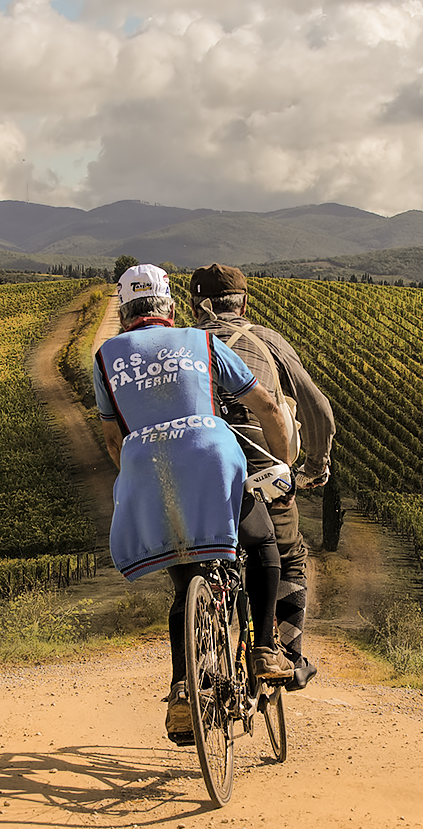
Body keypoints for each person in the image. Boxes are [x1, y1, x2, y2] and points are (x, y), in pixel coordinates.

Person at [91, 264, 298, 745]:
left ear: (125, 314)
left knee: (186, 583)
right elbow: (267, 406)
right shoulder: (200, 343)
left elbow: (111, 438)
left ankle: (184, 688)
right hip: (211, 460)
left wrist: (138, 479)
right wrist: (283, 463)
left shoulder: (106, 358)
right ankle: (265, 650)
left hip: (149, 470)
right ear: (170, 307)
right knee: (263, 543)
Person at [189, 264, 337, 690]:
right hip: (260, 465)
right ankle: (284, 656)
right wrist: (314, 467)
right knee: (289, 553)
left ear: (197, 307)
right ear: (245, 302)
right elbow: (319, 411)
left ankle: (200, 661)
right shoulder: (265, 340)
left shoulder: (183, 344)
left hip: (198, 464)